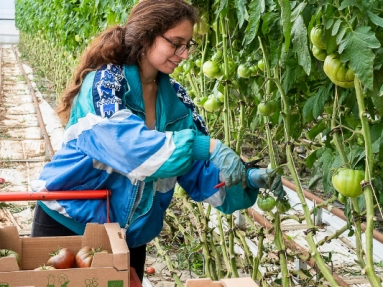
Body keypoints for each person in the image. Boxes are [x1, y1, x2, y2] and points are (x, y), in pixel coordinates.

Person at [29, 0, 282, 281]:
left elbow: (199, 173)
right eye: (176, 43)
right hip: (68, 225)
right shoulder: (105, 85)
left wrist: (245, 178)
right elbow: (127, 147)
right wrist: (206, 146)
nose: (184, 54)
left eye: (188, 45)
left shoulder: (177, 101)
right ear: (147, 35)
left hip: (129, 238)